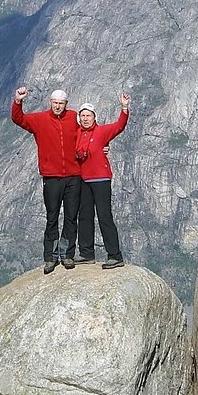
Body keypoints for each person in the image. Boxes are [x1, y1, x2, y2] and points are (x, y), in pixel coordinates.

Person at [11, 86, 82, 274]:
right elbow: (18, 119)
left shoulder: (74, 117)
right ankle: (50, 258)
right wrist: (18, 101)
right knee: (52, 217)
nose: (58, 106)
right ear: (50, 102)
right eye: (55, 103)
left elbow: (90, 130)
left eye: (61, 103)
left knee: (70, 217)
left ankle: (66, 254)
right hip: (51, 177)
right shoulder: (40, 119)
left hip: (73, 176)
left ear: (66, 104)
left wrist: (102, 147)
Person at [74, 93, 130, 269]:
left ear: (94, 117)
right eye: (82, 116)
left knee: (104, 216)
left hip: (101, 179)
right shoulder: (77, 134)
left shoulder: (102, 131)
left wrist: (124, 108)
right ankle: (86, 253)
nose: (85, 119)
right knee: (85, 216)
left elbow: (119, 126)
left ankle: (115, 256)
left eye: (88, 116)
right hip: (84, 179)